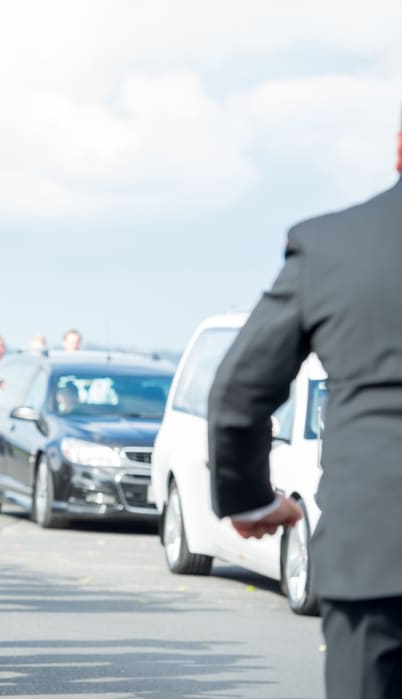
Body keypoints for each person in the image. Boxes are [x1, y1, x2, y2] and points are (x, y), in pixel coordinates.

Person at [206, 115, 402, 697]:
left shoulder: (333, 247)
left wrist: (250, 499)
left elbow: (238, 391)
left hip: (378, 554)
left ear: (397, 148)